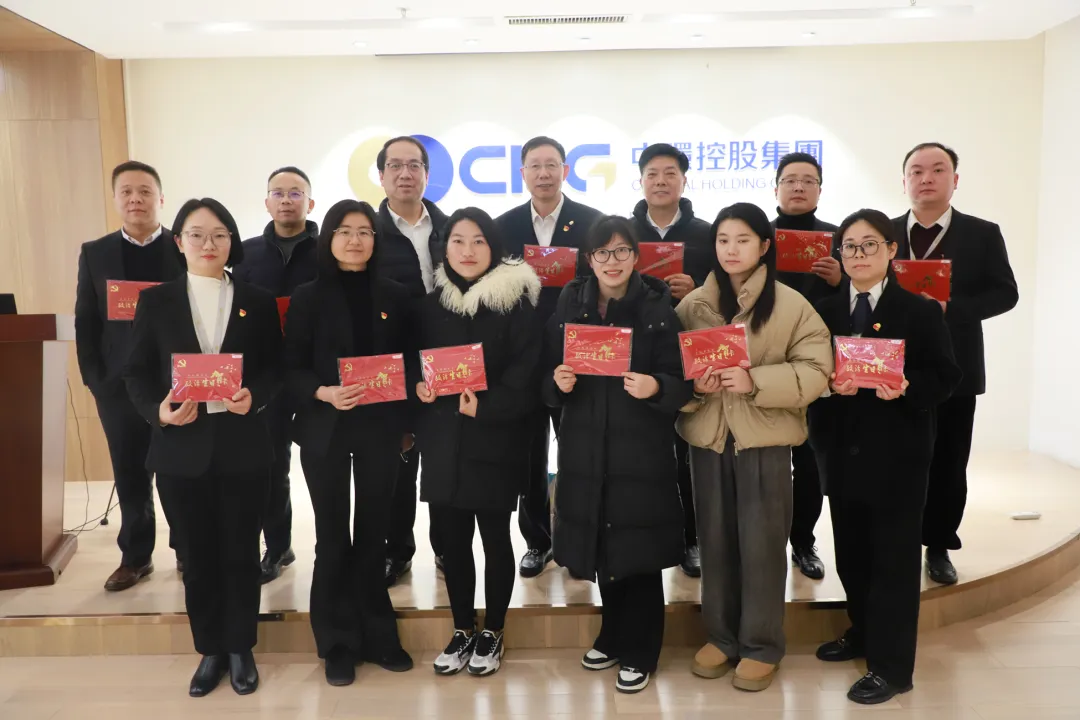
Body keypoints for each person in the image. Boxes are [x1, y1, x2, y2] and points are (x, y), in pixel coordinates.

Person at [124, 198, 283, 697]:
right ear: (179, 242)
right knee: (196, 554)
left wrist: (255, 395)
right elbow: (136, 373)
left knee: (241, 551)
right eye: (196, 234)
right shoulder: (156, 301)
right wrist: (159, 412)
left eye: (219, 234)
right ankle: (210, 647)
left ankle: (240, 647)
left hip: (242, 445)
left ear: (231, 241)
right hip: (181, 448)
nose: (208, 243)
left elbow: (275, 368)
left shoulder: (256, 301)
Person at [677, 202, 831, 691]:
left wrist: (755, 381)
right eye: (723, 240)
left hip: (764, 442)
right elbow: (669, 369)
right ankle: (721, 637)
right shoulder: (693, 306)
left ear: (764, 246)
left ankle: (762, 645)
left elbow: (817, 370)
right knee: (715, 542)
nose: (731, 249)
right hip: (708, 440)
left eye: (742, 239)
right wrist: (694, 388)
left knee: (762, 545)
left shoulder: (791, 305)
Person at [810, 209, 961, 704]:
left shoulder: (918, 311)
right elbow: (809, 372)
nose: (858, 254)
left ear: (892, 250)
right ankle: (862, 632)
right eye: (849, 246)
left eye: (869, 244)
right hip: (841, 451)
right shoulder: (824, 312)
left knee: (893, 563)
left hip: (898, 456)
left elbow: (946, 376)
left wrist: (907, 386)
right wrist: (827, 385)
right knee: (852, 556)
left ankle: (893, 668)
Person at [544, 215, 691, 694]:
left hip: (640, 449)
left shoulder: (657, 304)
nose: (613, 261)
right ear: (589, 259)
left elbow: (682, 380)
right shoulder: (571, 301)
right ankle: (612, 633)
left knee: (638, 551)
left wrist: (656, 386)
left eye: (622, 251)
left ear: (635, 255)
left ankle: (642, 649)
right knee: (604, 546)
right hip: (585, 446)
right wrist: (558, 382)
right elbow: (548, 371)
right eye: (603, 252)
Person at [283, 199, 415, 686]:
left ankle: (379, 635)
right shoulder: (307, 297)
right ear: (329, 239)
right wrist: (323, 392)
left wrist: (409, 422)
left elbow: (411, 362)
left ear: (376, 240)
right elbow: (290, 366)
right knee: (333, 536)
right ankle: (337, 643)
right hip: (326, 427)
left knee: (375, 534)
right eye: (344, 231)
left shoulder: (397, 295)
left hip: (381, 429)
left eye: (364, 231)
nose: (355, 240)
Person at [414, 207, 542, 677]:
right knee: (452, 541)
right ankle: (462, 627)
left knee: (494, 538)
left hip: (495, 438)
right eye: (458, 241)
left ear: (494, 247)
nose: (467, 251)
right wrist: (419, 387)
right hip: (442, 439)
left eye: (478, 241)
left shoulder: (517, 302)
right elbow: (414, 363)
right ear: (444, 248)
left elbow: (527, 374)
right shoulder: (431, 304)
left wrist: (486, 408)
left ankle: (495, 629)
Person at [892, 142, 1018, 585]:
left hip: (955, 366)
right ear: (904, 181)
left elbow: (1005, 293)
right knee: (897, 457)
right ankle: (897, 539)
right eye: (916, 171)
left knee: (948, 459)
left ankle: (940, 543)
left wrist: (951, 308)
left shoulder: (982, 233)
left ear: (955, 179)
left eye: (938, 169)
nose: (926, 178)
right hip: (893, 368)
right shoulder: (884, 233)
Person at [74, 160, 185, 591]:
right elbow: (87, 319)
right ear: (116, 199)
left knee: (178, 471)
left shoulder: (183, 246)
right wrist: (94, 378)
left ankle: (187, 552)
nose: (135, 199)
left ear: (161, 198)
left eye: (144, 191)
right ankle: (136, 556)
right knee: (130, 472)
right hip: (118, 385)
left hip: (173, 384)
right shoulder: (95, 253)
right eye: (126, 192)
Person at [495, 135, 602, 579]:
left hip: (574, 358)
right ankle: (537, 541)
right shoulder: (503, 227)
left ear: (565, 171)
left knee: (578, 452)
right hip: (521, 359)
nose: (543, 173)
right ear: (522, 173)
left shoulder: (592, 222)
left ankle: (579, 542)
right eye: (535, 166)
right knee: (529, 456)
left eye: (551, 165)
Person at [629, 142, 713, 578]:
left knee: (689, 451)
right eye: (652, 174)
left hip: (692, 353)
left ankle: (691, 539)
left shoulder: (707, 233)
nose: (660, 181)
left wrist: (696, 287)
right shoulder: (622, 233)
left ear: (683, 179)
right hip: (640, 356)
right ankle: (640, 535)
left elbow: (726, 290)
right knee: (639, 452)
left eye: (669, 173)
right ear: (641, 180)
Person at [233, 165, 319, 584]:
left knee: (326, 466)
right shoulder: (245, 254)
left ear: (310, 202)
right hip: (265, 374)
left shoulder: (330, 250)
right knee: (270, 464)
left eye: (296, 193)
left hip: (317, 374)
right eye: (278, 193)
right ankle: (278, 545)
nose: (287, 200)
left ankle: (338, 549)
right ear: (266, 202)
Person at [375, 136, 452, 587]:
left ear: (426, 173)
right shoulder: (367, 230)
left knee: (443, 456)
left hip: (447, 357)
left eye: (414, 165)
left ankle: (446, 547)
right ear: (381, 175)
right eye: (395, 165)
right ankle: (396, 550)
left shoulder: (451, 226)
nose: (405, 173)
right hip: (391, 362)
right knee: (397, 460)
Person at [771, 152, 842, 581]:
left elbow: (860, 298)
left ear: (819, 189)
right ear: (776, 187)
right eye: (790, 180)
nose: (798, 187)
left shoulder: (839, 239)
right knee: (765, 460)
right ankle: (763, 541)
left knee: (811, 460)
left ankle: (803, 541)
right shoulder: (757, 236)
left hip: (817, 366)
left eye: (808, 180)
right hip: (765, 364)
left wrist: (840, 280)